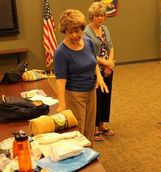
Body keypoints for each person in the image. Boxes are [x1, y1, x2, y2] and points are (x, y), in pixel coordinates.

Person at [54, 9, 108, 145]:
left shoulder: (88, 42)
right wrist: (61, 104)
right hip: (75, 95)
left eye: (77, 31)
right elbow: (60, 80)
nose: (74, 35)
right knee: (78, 131)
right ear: (64, 31)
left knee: (90, 129)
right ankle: (79, 161)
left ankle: (89, 158)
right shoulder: (61, 52)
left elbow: (93, 61)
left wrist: (100, 78)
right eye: (69, 31)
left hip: (91, 92)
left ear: (82, 29)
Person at [84, 1, 115, 142]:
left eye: (102, 15)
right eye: (97, 16)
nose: (101, 18)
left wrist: (110, 65)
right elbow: (90, 53)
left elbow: (111, 47)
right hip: (94, 70)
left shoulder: (105, 29)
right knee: (96, 99)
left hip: (108, 69)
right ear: (92, 16)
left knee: (106, 96)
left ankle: (102, 125)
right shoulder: (86, 32)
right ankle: (94, 128)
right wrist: (106, 63)